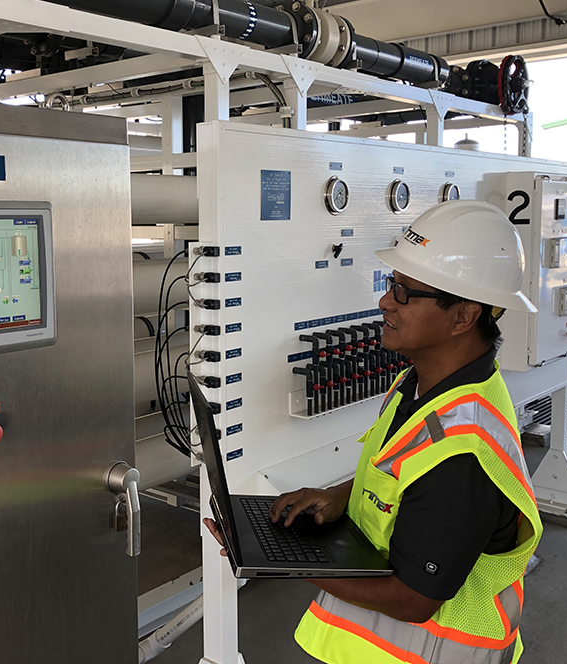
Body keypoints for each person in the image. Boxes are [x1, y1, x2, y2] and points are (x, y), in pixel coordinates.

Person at [204, 200, 544, 664]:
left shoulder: (462, 453)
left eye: (405, 292)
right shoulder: (424, 385)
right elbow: (404, 477)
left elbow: (413, 599)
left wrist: (273, 558)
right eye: (392, 285)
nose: (386, 301)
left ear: (463, 316)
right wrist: (343, 495)